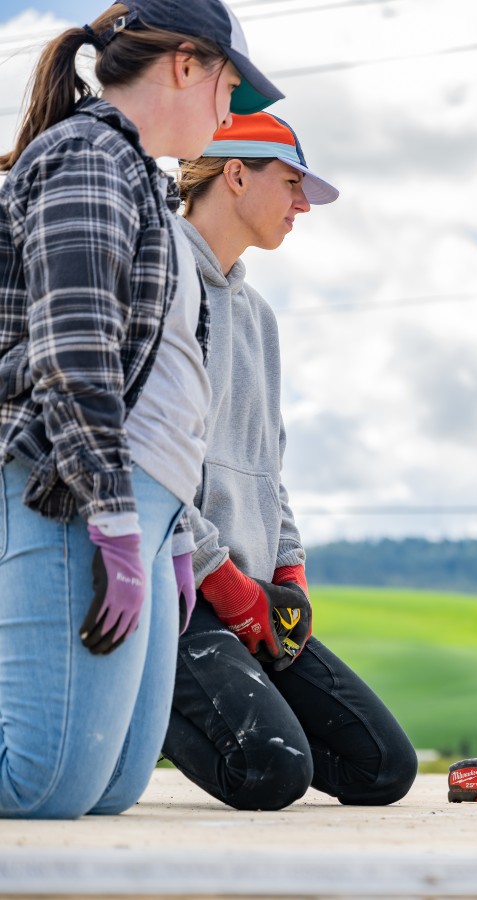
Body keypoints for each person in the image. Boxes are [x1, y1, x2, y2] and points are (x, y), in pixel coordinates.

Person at [0, 1, 280, 819]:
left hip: (146, 508)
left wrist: (167, 541)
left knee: (116, 785)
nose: (232, 115)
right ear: (186, 65)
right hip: (75, 489)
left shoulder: (137, 180)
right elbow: (75, 353)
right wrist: (113, 519)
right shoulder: (86, 158)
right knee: (41, 783)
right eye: (231, 88)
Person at [161, 112, 419, 811]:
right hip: (179, 596)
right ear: (236, 174)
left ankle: (205, 695)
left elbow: (269, 470)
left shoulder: (259, 317)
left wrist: (287, 570)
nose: (303, 204)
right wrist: (224, 584)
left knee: (384, 770)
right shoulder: (160, 281)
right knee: (269, 770)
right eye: (292, 184)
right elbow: (146, 464)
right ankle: (140, 700)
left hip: (250, 600)